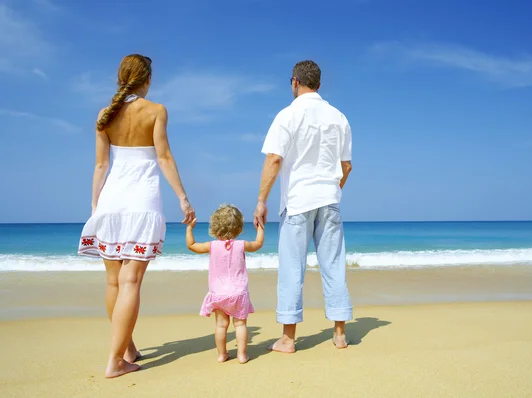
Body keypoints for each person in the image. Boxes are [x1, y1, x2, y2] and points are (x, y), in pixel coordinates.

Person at [77, 54, 195, 378]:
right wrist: (183, 200)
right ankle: (115, 361)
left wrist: (94, 205)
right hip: (142, 202)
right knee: (131, 281)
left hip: (110, 201)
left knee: (114, 281)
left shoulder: (105, 114)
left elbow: (101, 165)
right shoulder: (156, 111)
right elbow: (165, 157)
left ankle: (126, 347)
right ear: (147, 79)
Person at [254, 60, 354, 353]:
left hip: (298, 201)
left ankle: (288, 338)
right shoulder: (339, 117)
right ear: (319, 85)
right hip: (329, 199)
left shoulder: (288, 114)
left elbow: (274, 159)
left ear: (294, 82)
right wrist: (334, 188)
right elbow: (346, 165)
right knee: (334, 265)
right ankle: (339, 334)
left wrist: (261, 200)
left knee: (292, 268)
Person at [186, 204, 263, 364]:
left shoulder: (212, 246)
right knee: (240, 324)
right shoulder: (241, 245)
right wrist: (260, 227)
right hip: (238, 293)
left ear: (215, 226)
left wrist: (189, 229)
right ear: (239, 227)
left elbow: (192, 245)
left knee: (221, 326)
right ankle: (242, 355)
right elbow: (258, 244)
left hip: (219, 293)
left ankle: (222, 355)